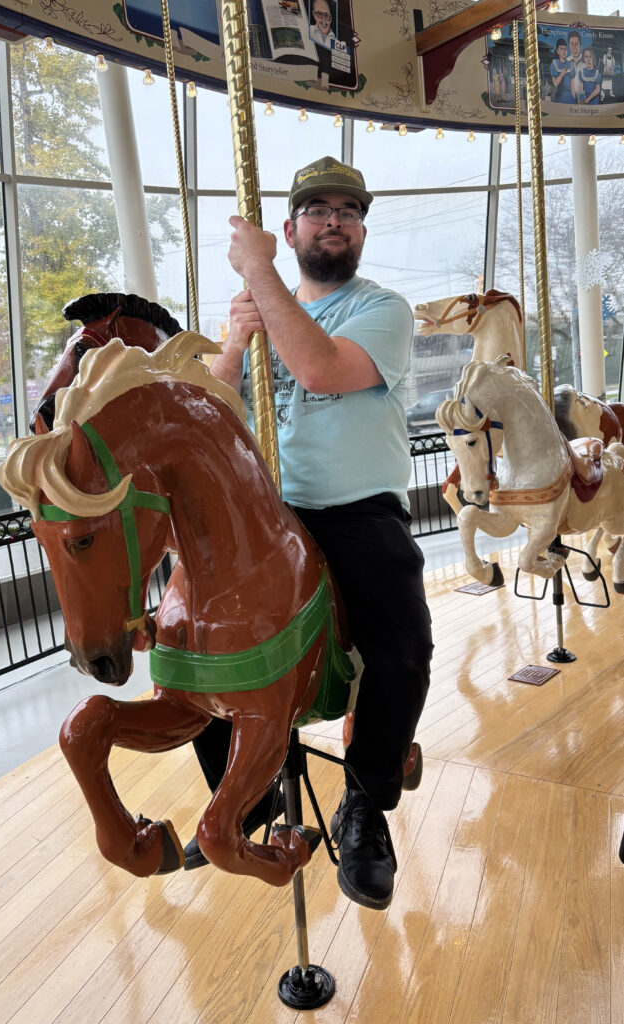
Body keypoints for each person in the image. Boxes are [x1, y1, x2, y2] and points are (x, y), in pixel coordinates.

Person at [183, 156, 434, 912]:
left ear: (359, 230)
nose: (333, 220)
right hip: (268, 516)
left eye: (347, 211)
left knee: (402, 646)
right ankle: (245, 796)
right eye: (317, 210)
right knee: (194, 648)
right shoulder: (260, 316)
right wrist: (232, 341)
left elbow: (321, 371)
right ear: (289, 229)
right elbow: (212, 417)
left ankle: (366, 802)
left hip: (355, 508)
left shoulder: (381, 308)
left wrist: (260, 276)